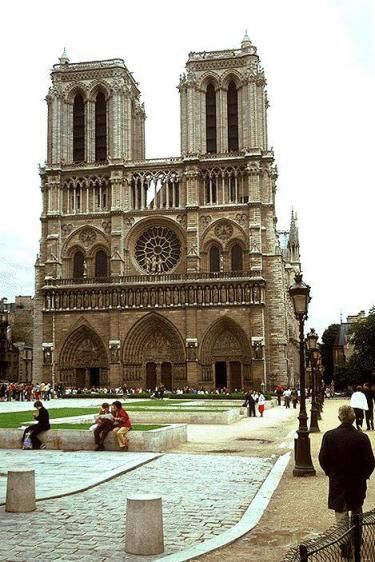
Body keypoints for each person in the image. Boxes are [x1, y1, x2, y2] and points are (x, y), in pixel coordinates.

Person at [319, 405, 374, 547]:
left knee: (341, 513)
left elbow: (323, 458)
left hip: (337, 479)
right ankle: (356, 539)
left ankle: (344, 544)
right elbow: (370, 461)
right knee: (356, 509)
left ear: (339, 418)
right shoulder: (362, 437)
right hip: (356, 480)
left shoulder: (329, 436)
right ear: (354, 418)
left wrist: (330, 473)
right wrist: (364, 475)